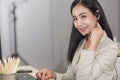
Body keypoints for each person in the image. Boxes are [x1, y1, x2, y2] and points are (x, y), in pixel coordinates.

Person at [36, 0, 118, 80]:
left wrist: (92, 46)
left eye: (83, 16)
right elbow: (72, 76)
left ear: (97, 15)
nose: (78, 24)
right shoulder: (82, 42)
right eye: (75, 18)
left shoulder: (110, 48)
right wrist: (54, 75)